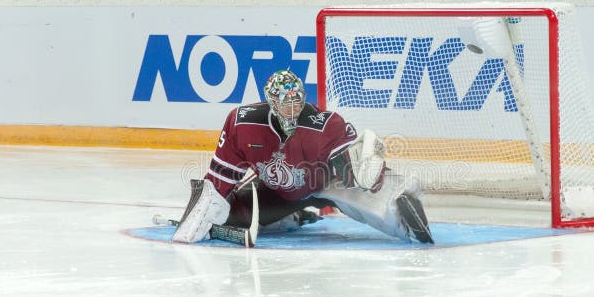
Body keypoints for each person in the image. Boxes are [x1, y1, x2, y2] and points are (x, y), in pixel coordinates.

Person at [172, 69, 434, 245]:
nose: (293, 108)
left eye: (297, 101)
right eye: (285, 102)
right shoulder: (242, 123)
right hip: (278, 192)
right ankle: (289, 218)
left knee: (369, 197)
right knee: (231, 214)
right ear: (271, 102)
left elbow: (352, 164)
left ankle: (401, 214)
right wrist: (202, 212)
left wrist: (373, 177)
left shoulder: (323, 124)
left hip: (325, 185)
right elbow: (220, 179)